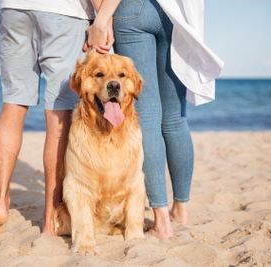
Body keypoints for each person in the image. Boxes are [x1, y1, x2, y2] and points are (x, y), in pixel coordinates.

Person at [85, 0, 223, 238]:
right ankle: (180, 210)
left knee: (147, 117)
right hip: (176, 14)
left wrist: (102, 18)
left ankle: (161, 220)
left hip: (131, 10)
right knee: (176, 119)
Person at [0, 0, 94, 235]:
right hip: (65, 13)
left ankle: (0, 200)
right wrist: (103, 17)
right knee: (59, 111)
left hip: (14, 9)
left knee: (13, 102)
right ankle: (50, 218)